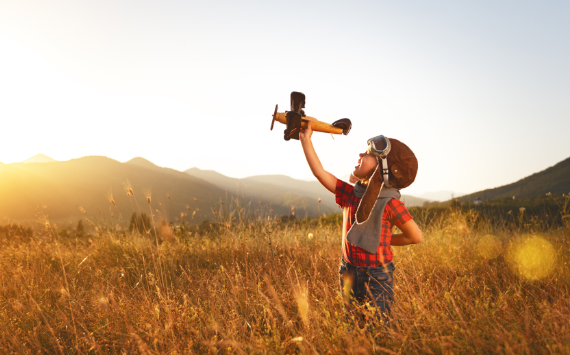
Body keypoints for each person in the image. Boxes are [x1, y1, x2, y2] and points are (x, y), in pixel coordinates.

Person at [299, 121, 422, 327]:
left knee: (376, 331)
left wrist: (384, 241)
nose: (360, 155)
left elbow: (415, 236)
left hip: (377, 277)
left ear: (383, 168)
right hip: (347, 270)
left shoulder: (390, 203)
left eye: (367, 154)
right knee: (353, 327)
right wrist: (306, 141)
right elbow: (320, 173)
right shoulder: (351, 193)